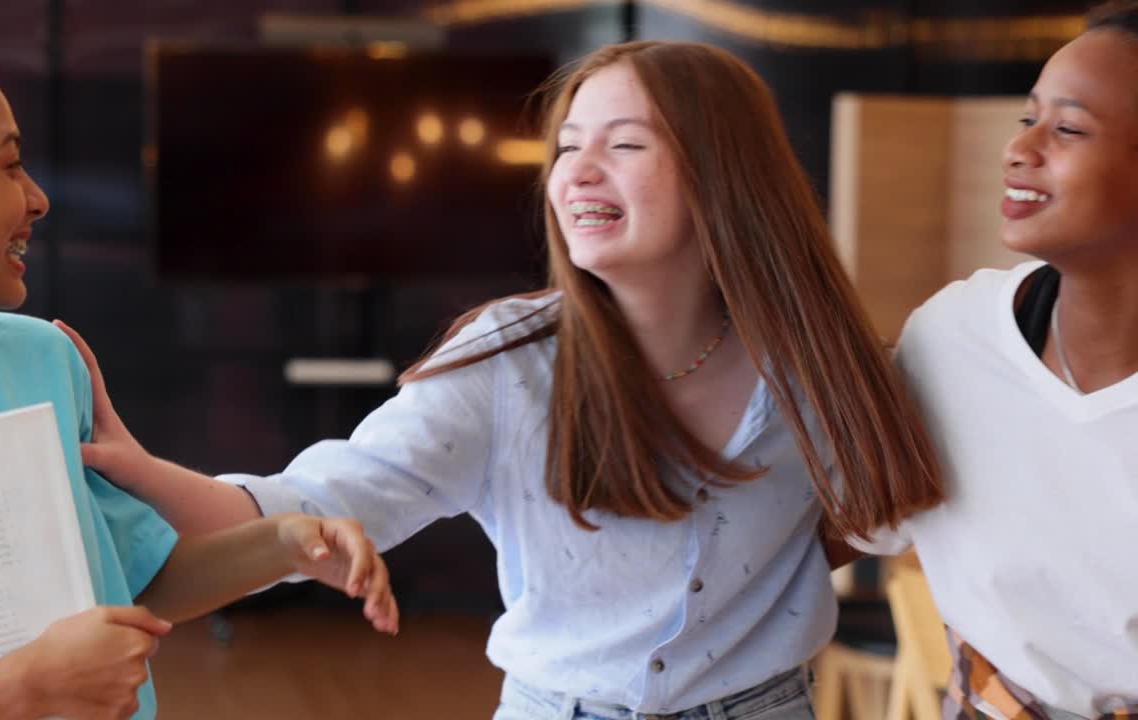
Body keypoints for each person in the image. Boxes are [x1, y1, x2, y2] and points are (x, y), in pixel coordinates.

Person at [62, 41, 944, 719]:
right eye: (566, 148)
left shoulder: (821, 367)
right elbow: (303, 509)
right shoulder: (506, 363)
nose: (577, 173)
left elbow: (875, 517)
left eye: (624, 144)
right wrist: (135, 466)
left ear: (726, 178)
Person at [0, 29, 398, 720]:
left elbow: (131, 579)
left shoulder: (46, 361)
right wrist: (26, 688)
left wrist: (286, 541)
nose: (38, 199)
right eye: (10, 166)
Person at [847, 2, 1138, 718]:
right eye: (1027, 119)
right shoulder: (953, 337)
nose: (1020, 150)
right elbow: (836, 527)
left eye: (1067, 129)